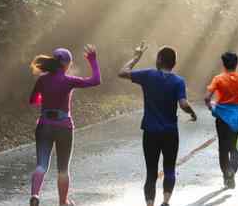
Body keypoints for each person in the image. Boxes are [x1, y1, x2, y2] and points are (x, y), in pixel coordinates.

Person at [118, 42, 197, 206]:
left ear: (160, 59)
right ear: (174, 63)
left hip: (150, 131)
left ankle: (150, 204)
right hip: (170, 133)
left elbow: (123, 72)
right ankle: (166, 201)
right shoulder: (178, 81)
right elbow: (183, 104)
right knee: (169, 169)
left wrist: (135, 57)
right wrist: (192, 113)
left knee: (151, 172)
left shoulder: (148, 75)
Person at [28, 45, 101, 206]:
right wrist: (93, 60)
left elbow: (32, 100)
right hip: (64, 127)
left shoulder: (42, 79)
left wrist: (45, 99)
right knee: (63, 168)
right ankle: (63, 202)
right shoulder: (69, 81)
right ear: (67, 64)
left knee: (41, 165)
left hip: (44, 125)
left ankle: (35, 195)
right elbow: (96, 80)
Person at [204, 52, 238, 189]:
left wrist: (211, 107)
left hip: (221, 117)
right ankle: (232, 170)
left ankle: (227, 176)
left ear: (223, 64)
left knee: (222, 148)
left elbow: (207, 98)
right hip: (237, 118)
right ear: (236, 64)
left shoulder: (218, 79)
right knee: (234, 147)